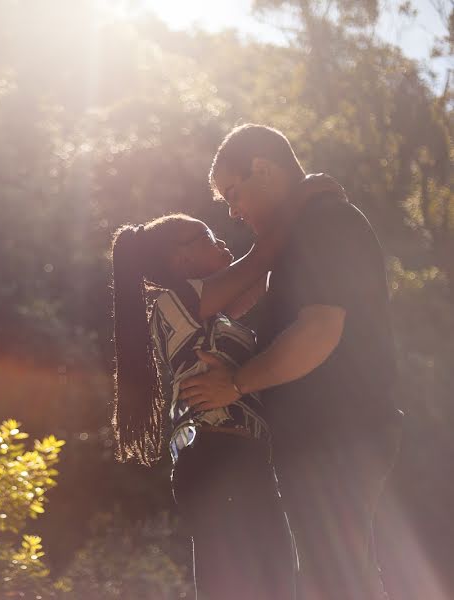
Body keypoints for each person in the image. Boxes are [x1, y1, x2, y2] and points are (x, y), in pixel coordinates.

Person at [180, 124, 403, 600]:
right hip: (322, 436)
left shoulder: (327, 224)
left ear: (263, 168)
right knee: (338, 575)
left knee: (337, 577)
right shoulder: (301, 233)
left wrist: (234, 383)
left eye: (234, 194)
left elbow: (319, 332)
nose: (235, 212)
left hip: (339, 434)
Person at [110, 194, 331, 598]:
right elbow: (261, 259)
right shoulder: (172, 303)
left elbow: (262, 275)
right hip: (216, 456)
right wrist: (305, 197)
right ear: (183, 261)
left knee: (274, 583)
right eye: (207, 236)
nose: (223, 242)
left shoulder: (216, 314)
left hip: (245, 459)